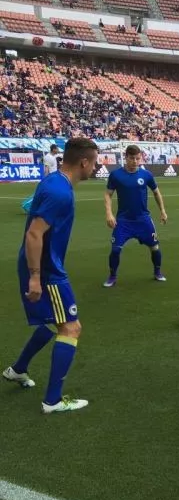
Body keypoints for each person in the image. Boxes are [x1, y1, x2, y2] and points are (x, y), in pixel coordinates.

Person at [3, 137, 99, 413]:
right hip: (47, 271)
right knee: (71, 327)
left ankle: (18, 369)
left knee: (51, 322)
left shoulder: (55, 181)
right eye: (94, 163)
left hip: (40, 265)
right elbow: (34, 234)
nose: (95, 168)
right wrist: (35, 276)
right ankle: (53, 401)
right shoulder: (60, 192)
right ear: (84, 162)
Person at [103, 145, 168, 287]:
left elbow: (156, 192)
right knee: (115, 249)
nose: (135, 161)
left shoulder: (146, 175)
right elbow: (108, 194)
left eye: (138, 158)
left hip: (143, 219)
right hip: (123, 221)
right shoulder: (116, 175)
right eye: (132, 158)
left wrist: (162, 211)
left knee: (155, 248)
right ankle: (112, 276)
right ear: (126, 157)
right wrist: (109, 213)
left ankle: (157, 272)